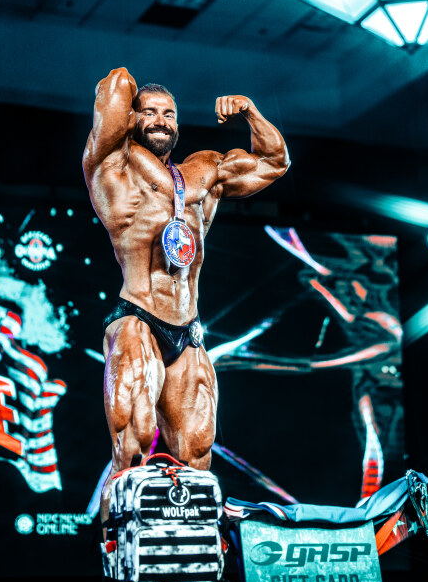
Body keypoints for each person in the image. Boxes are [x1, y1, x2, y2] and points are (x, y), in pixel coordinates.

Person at [82, 67, 290, 525]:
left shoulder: (204, 171)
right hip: (137, 318)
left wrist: (250, 111)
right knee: (133, 448)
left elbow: (275, 162)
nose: (161, 120)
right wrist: (129, 97)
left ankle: (187, 555)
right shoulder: (111, 166)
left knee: (197, 456)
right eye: (150, 112)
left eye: (169, 114)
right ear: (132, 117)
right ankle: (118, 555)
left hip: (189, 330)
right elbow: (115, 85)